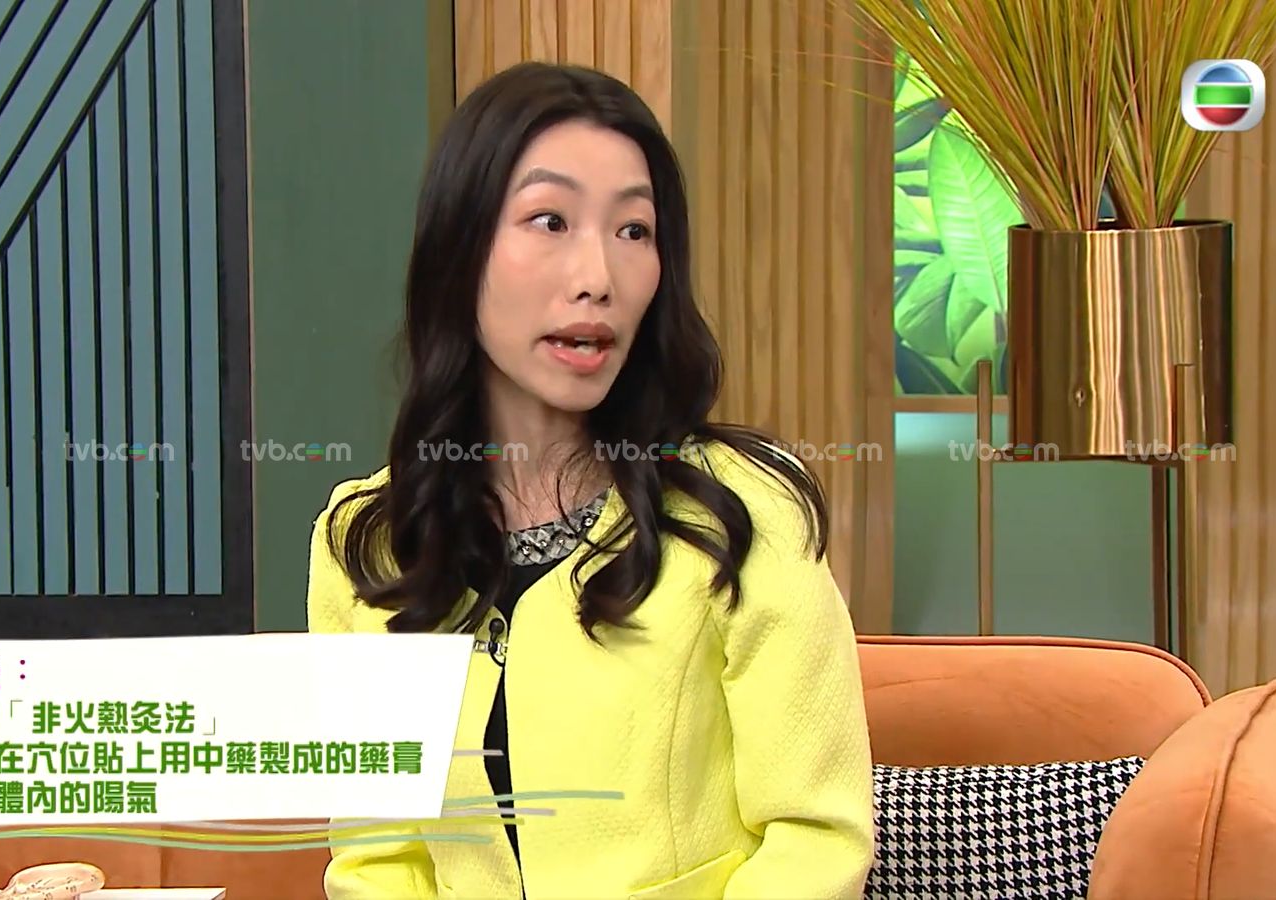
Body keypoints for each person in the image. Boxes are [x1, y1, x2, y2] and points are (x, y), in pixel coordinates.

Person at [306, 61, 874, 899]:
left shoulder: (746, 510)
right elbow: (377, 864)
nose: (598, 278)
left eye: (634, 231)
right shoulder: (369, 541)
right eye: (550, 220)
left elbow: (816, 842)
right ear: (461, 249)